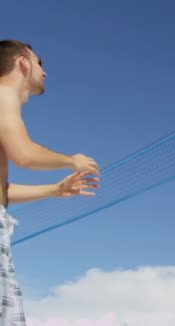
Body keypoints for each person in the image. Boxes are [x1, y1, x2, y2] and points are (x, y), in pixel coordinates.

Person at [0, 39, 100, 325]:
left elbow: (4, 190)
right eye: (38, 62)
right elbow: (24, 154)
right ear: (22, 61)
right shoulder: (3, 94)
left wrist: (55, 189)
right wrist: (71, 160)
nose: (44, 71)